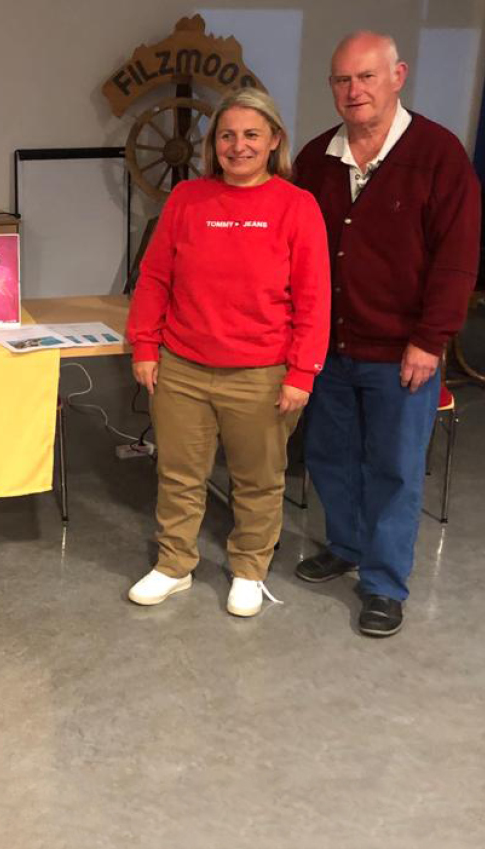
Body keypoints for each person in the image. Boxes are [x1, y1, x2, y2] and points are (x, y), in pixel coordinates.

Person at [293, 31, 481, 637]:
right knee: (330, 456)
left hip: (403, 352)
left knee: (396, 468)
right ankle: (345, 545)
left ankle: (383, 584)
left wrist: (432, 339)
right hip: (330, 348)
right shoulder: (317, 157)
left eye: (366, 77)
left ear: (397, 76)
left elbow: (456, 258)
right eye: (342, 80)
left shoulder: (439, 153)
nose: (354, 91)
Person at [125, 88, 330, 617]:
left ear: (274, 141)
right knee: (177, 474)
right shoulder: (187, 199)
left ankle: (248, 570)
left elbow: (314, 297)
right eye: (227, 136)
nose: (238, 146)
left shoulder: (296, 206)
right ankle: (174, 565)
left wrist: (302, 372)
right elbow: (153, 279)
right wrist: (145, 345)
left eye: (251, 135)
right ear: (213, 144)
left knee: (259, 481)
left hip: (262, 373)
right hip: (182, 367)